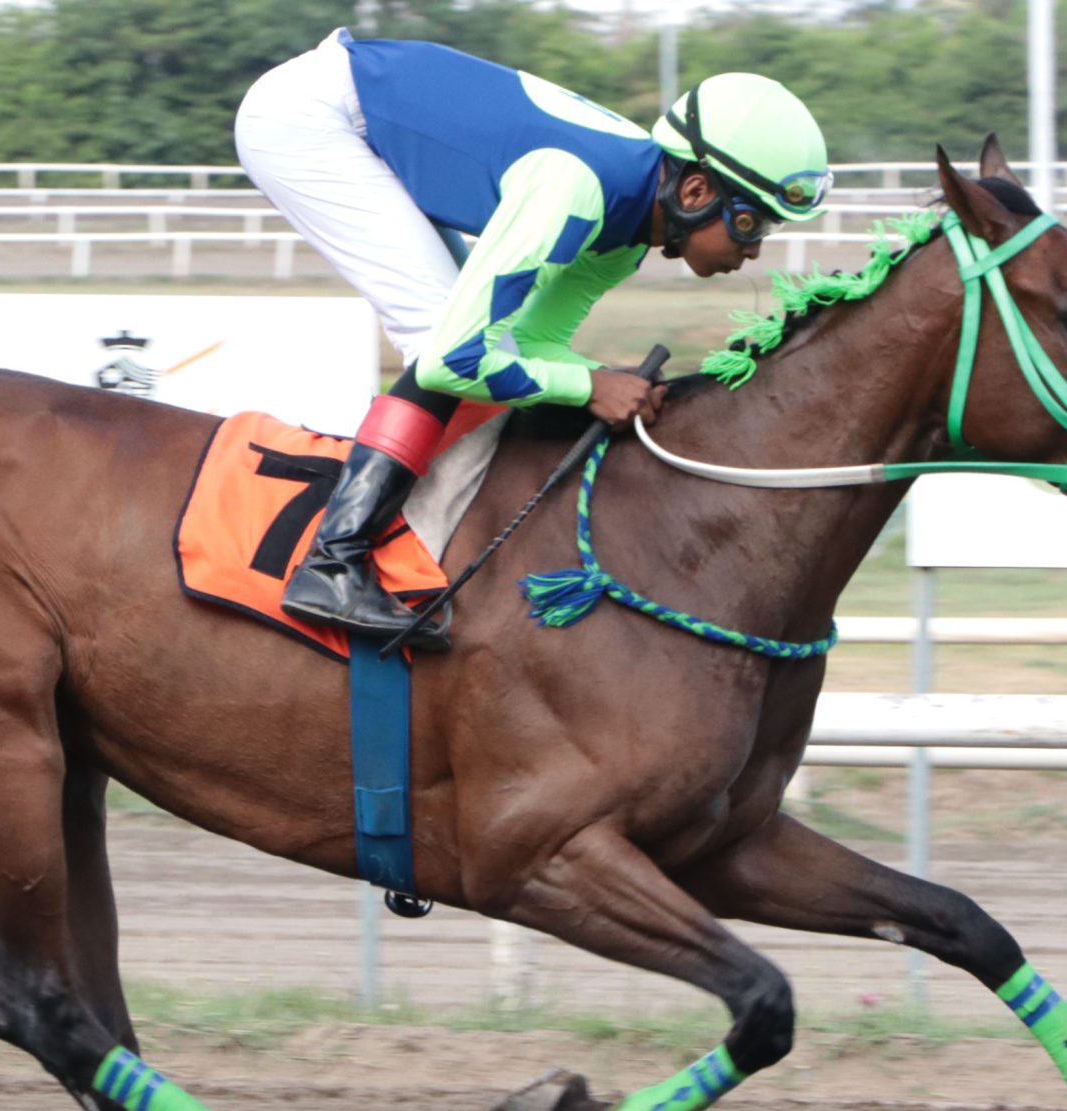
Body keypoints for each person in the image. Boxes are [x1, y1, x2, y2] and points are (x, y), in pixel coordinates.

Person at [235, 29, 831, 650]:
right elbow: (454, 361)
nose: (755, 246)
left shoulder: (625, 239)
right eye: (749, 220)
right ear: (696, 191)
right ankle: (333, 559)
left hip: (358, 110)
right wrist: (591, 386)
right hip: (310, 118)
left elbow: (530, 345)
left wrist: (606, 384)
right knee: (441, 331)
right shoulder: (575, 190)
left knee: (472, 338)